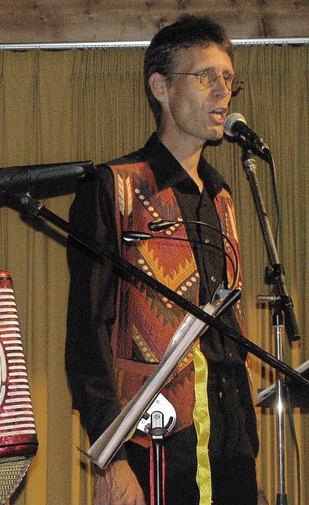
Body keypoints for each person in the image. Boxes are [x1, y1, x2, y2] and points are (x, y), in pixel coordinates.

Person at [66, 15, 261, 505]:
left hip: (229, 442)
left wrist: (244, 462)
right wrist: (110, 458)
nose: (222, 91)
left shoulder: (223, 198)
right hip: (153, 446)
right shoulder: (114, 189)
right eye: (205, 77)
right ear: (160, 87)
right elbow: (88, 334)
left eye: (228, 79)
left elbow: (228, 340)